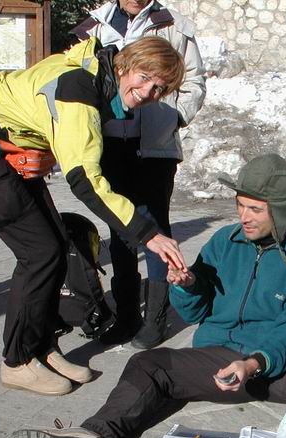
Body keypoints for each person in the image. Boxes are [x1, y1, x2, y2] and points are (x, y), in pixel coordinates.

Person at [12, 153, 286, 438]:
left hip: (276, 369)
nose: (244, 216)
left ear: (282, 210)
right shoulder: (225, 241)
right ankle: (98, 437)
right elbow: (197, 311)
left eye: (255, 209)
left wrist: (254, 362)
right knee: (148, 363)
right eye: (240, 204)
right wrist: (187, 285)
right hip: (219, 365)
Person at [0, 36, 188, 396]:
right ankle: (17, 361)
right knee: (39, 253)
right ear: (125, 65)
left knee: (57, 245)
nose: (149, 92)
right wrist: (148, 233)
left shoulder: (96, 77)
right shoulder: (80, 90)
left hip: (6, 144)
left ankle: (42, 347)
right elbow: (84, 179)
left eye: (160, 88)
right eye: (145, 77)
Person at [84, 0, 206, 349]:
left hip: (155, 148)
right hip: (110, 142)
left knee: (155, 228)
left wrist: (173, 117)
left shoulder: (174, 25)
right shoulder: (97, 24)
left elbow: (195, 81)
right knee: (121, 228)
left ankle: (155, 317)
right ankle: (126, 315)